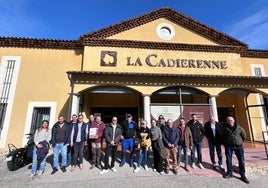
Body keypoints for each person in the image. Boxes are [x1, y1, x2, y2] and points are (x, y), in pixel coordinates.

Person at [221, 116, 249, 184]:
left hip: (238, 146)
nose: (230, 121)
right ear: (227, 121)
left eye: (231, 120)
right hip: (228, 146)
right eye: (228, 120)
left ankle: (242, 174)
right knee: (228, 160)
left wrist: (239, 142)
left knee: (241, 160)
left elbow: (244, 137)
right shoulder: (224, 128)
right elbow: (222, 137)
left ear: (234, 121)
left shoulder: (239, 128)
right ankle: (229, 173)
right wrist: (225, 144)